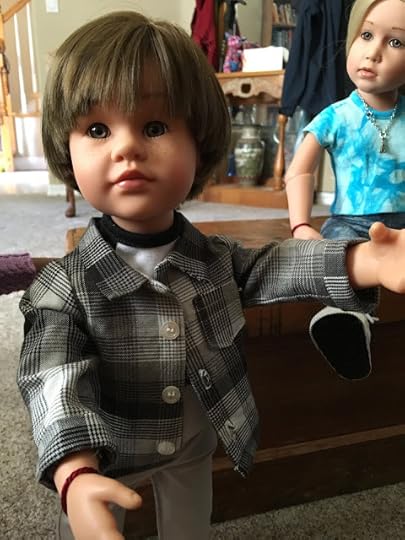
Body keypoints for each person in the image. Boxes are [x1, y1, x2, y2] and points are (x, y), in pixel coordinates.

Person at [17, 10, 405, 540]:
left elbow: (280, 264)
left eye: (155, 127)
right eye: (97, 130)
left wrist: (366, 260)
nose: (126, 148)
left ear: (199, 142)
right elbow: (53, 378)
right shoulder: (64, 288)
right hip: (107, 447)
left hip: (194, 440)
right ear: (66, 147)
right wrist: (74, 472)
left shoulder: (215, 259)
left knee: (189, 526)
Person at [285, 0, 405, 380]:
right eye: (366, 35)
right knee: (335, 256)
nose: (373, 52)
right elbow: (300, 170)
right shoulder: (336, 116)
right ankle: (346, 319)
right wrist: (300, 224)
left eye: (396, 42)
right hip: (349, 224)